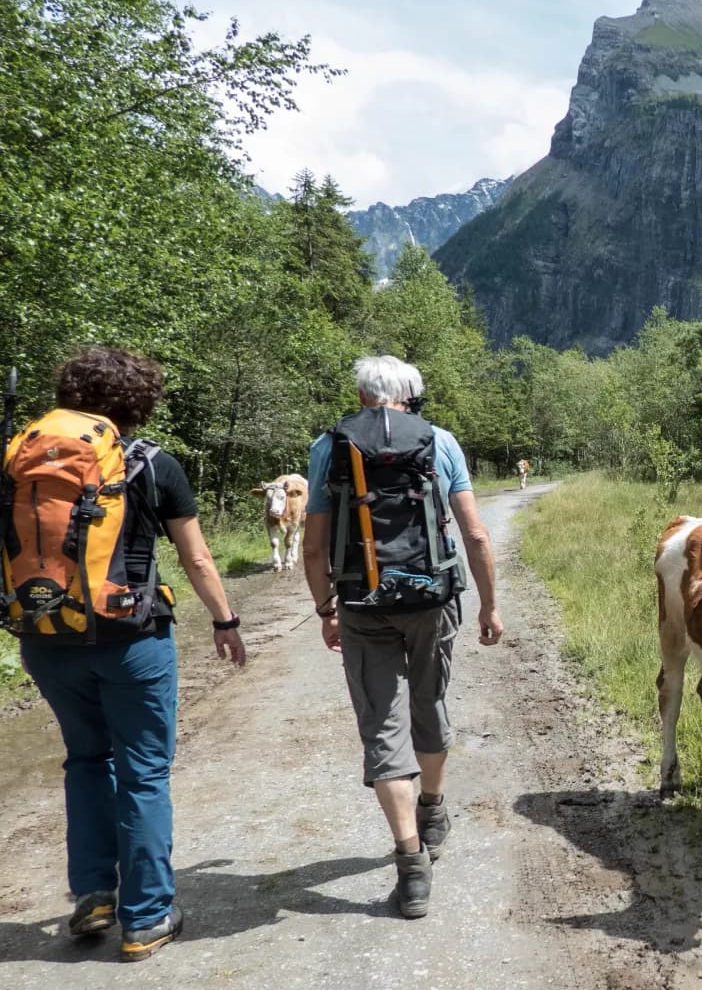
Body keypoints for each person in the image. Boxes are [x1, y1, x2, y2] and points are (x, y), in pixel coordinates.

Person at [11, 348, 246, 961]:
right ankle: (146, 918)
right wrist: (225, 619)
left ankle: (93, 892)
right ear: (137, 402)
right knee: (142, 771)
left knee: (86, 760)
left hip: (44, 638)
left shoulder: (18, 464)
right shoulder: (152, 464)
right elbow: (197, 558)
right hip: (132, 641)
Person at [302, 355, 502, 919]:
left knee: (382, 729)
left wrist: (326, 609)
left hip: (363, 604)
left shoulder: (329, 448)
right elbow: (476, 534)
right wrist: (488, 605)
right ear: (410, 398)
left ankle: (412, 868)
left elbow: (314, 547)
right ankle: (433, 808)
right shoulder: (440, 441)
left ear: (363, 396)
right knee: (429, 702)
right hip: (432, 599)